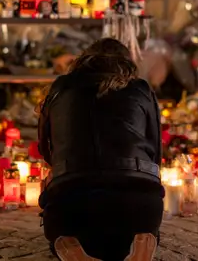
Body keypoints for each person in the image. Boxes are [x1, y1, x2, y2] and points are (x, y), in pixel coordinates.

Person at [38, 38, 163, 261]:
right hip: (138, 210)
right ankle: (141, 242)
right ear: (127, 64)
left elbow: (46, 152)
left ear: (84, 60)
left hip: (70, 207)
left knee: (55, 192)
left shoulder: (60, 87)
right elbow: (155, 154)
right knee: (142, 208)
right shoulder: (141, 90)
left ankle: (70, 242)